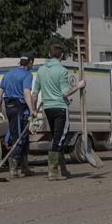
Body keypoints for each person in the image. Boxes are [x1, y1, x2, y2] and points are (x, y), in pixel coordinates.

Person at [32, 43, 86, 181]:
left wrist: (33, 109)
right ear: (61, 56)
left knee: (57, 137)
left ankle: (63, 169)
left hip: (47, 109)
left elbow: (35, 93)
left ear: (49, 54)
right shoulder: (62, 71)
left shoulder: (41, 70)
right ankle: (53, 171)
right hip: (60, 108)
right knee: (59, 139)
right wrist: (78, 85)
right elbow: (65, 92)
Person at [0, 54, 37, 178]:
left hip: (9, 108)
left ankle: (25, 167)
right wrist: (32, 110)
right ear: (30, 63)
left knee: (24, 137)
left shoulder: (8, 74)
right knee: (18, 138)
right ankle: (13, 168)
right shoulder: (27, 75)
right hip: (20, 108)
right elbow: (26, 93)